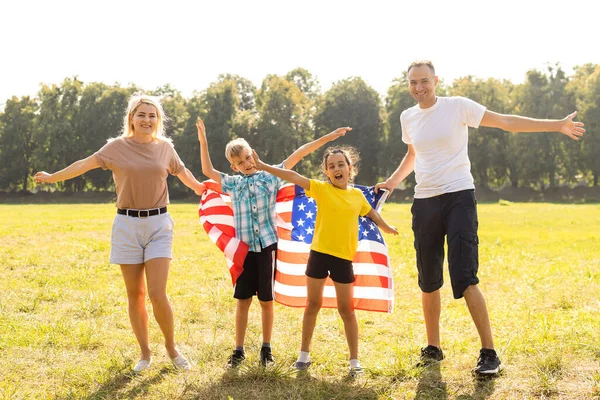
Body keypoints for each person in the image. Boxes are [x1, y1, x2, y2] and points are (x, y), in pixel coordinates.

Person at [376, 60, 585, 375]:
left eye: (424, 81)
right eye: (412, 82)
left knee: (465, 275)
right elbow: (413, 155)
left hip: (459, 197)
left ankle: (489, 353)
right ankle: (433, 348)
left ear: (436, 80)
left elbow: (504, 121)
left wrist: (556, 124)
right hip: (425, 203)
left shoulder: (458, 107)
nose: (418, 88)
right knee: (429, 279)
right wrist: (392, 183)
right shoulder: (408, 117)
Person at [34, 94, 206, 373]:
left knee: (157, 293)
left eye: (152, 115)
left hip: (159, 224)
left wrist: (201, 188)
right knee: (135, 294)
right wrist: (53, 177)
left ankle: (172, 348)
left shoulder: (165, 148)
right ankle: (145, 354)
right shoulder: (115, 148)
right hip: (126, 225)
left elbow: (183, 172)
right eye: (142, 115)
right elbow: (82, 164)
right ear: (131, 118)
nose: (147, 120)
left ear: (157, 120)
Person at [196, 117, 351, 368]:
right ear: (233, 167)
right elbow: (207, 171)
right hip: (245, 250)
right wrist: (203, 141)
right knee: (243, 300)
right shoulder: (233, 184)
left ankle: (266, 349)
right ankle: (238, 349)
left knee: (266, 301)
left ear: (253, 154)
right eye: (240, 162)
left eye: (248, 157)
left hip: (267, 247)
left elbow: (299, 154)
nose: (246, 164)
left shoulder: (270, 177)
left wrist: (328, 137)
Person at [251, 144, 398, 376]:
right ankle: (303, 356)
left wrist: (387, 227)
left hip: (343, 261)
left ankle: (354, 362)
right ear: (326, 172)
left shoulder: (357, 196)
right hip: (319, 256)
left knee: (346, 310)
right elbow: (293, 176)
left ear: (350, 168)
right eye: (332, 166)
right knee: (312, 306)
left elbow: (371, 213)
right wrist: (263, 166)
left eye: (341, 164)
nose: (337, 168)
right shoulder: (320, 189)